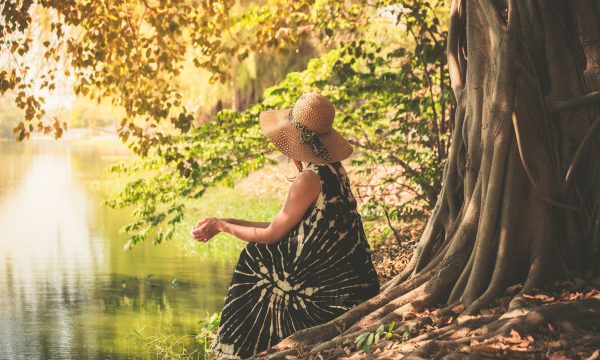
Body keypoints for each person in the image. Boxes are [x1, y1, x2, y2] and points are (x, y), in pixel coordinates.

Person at [191, 92, 380, 359]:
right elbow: (282, 226)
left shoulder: (308, 179)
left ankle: (244, 350)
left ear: (296, 138)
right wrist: (224, 222)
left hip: (329, 298)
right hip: (358, 286)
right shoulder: (334, 171)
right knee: (264, 252)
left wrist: (222, 227)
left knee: (256, 259)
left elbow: (270, 236)